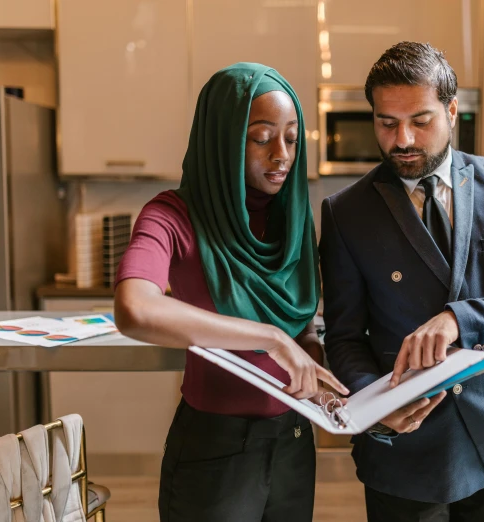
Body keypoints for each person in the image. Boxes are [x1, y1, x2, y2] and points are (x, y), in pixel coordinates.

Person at [319, 42, 484, 521]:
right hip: (403, 443)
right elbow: (342, 337)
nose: (402, 139)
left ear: (452, 110)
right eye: (386, 122)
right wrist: (375, 404)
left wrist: (459, 319)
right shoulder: (344, 213)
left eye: (420, 121)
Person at [113, 63, 348, 522]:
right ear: (222, 138)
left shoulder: (291, 221)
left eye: (292, 138)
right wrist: (270, 338)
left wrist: (313, 366)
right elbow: (135, 309)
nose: (282, 154)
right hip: (215, 449)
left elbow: (300, 325)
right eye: (261, 138)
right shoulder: (171, 216)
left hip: (294, 440)